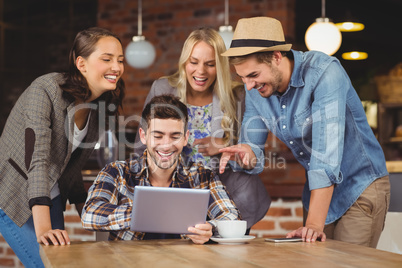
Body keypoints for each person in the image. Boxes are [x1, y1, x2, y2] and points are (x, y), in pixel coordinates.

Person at [219, 17, 390, 248]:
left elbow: (325, 157)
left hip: (359, 185)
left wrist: (314, 225)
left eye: (254, 75)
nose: (248, 85)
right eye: (242, 78)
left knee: (350, 263)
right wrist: (246, 152)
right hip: (317, 192)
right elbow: (253, 148)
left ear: (276, 57)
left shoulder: (324, 73)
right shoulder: (255, 91)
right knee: (314, 260)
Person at [0, 27, 125, 267]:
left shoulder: (101, 106)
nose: (117, 67)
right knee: (47, 264)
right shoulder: (46, 90)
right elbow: (37, 159)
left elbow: (72, 164)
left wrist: (90, 213)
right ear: (81, 63)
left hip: (51, 196)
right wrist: (44, 228)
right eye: (107, 59)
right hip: (16, 192)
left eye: (120, 60)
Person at [133, 27, 270, 230]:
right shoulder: (162, 88)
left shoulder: (241, 94)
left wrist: (225, 144)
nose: (201, 71)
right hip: (174, 199)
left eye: (210, 64)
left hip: (230, 201)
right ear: (184, 62)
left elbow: (254, 153)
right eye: (194, 62)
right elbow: (140, 148)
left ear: (220, 66)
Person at [82, 95, 240, 244]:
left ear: (186, 138)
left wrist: (210, 228)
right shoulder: (117, 172)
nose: (166, 145)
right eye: (158, 136)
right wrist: (141, 214)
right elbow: (89, 214)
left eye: (175, 136)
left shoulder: (202, 176)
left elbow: (232, 218)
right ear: (143, 136)